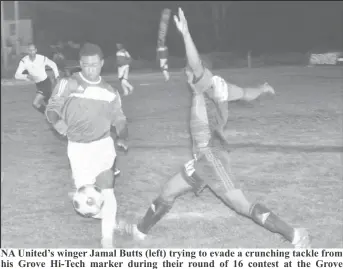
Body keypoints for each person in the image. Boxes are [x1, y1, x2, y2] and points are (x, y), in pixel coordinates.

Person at [119, 8, 311, 248]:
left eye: (189, 73)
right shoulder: (223, 87)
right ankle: (140, 231)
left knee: (241, 205)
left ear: (200, 74)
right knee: (168, 191)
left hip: (212, 156)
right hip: (202, 158)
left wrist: (186, 34)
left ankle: (294, 234)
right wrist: (262, 89)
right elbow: (246, 94)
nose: (187, 75)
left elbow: (195, 62)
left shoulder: (205, 84)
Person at [45, 43, 128, 248]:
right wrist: (57, 122)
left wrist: (123, 136)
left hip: (103, 145)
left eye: (94, 65)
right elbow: (52, 108)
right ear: (80, 64)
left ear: (101, 64)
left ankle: (107, 240)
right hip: (78, 148)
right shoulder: (68, 83)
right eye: (86, 65)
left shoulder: (110, 92)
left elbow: (121, 120)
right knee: (88, 197)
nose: (90, 69)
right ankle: (109, 218)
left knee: (106, 187)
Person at [14, 43, 60, 114]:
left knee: (35, 103)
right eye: (30, 50)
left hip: (46, 83)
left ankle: (49, 115)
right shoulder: (24, 61)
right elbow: (17, 75)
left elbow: (53, 65)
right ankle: (56, 115)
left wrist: (57, 76)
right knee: (50, 105)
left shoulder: (42, 58)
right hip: (38, 85)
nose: (32, 52)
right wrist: (26, 76)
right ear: (27, 51)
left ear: (36, 50)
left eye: (33, 50)